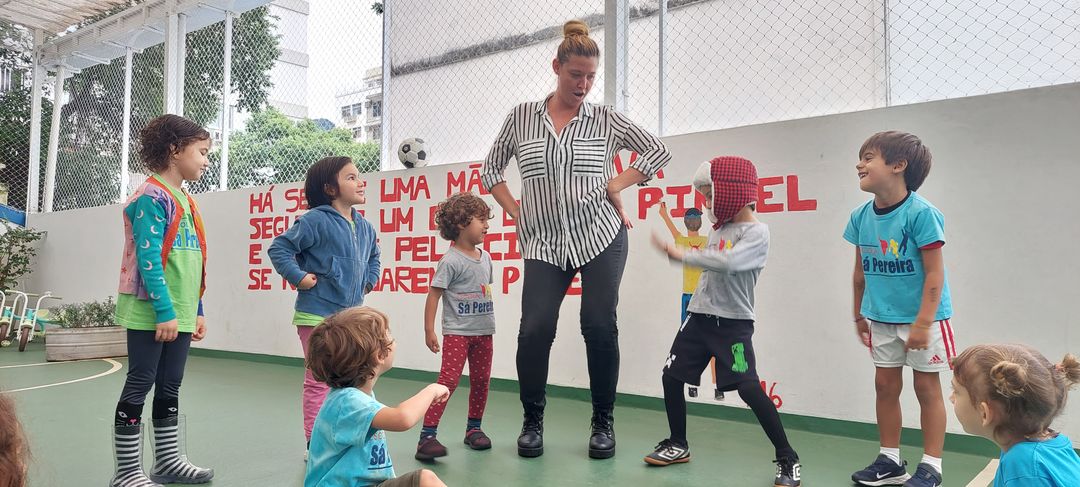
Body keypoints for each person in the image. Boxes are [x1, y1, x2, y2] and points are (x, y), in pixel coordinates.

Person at [481, 19, 671, 460]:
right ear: (557, 67)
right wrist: (515, 210)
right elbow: (491, 170)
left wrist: (615, 184)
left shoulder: (604, 118)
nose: (583, 85)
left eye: (590, 76)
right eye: (575, 75)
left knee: (598, 324)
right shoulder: (521, 117)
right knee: (535, 329)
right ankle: (532, 421)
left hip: (600, 234)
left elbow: (657, 150)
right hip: (544, 242)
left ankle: (603, 422)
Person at [645, 156, 801, 486]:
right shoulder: (720, 230)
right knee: (671, 376)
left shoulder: (758, 232)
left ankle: (788, 457)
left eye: (710, 195)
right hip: (698, 319)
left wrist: (682, 254)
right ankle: (678, 443)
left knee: (748, 387)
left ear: (731, 191)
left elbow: (729, 262)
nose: (706, 203)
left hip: (733, 327)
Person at [845, 131, 954, 487]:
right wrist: (858, 314)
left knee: (926, 388)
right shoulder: (860, 216)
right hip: (881, 317)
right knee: (885, 386)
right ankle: (890, 460)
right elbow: (860, 272)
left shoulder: (922, 214)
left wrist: (923, 322)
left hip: (925, 319)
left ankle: (932, 466)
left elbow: (935, 273)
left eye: (868, 157)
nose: (859, 164)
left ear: (898, 165)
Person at [110, 114, 213, 486]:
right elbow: (149, 258)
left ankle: (168, 462)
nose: (206, 161)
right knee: (141, 381)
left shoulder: (185, 199)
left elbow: (193, 260)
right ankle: (126, 473)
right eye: (202, 152)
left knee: (171, 384)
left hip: (179, 312)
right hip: (151, 310)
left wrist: (196, 310)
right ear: (175, 150)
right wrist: (164, 311)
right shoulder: (151, 197)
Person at [268, 156, 382, 457]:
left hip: (351, 317)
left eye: (359, 176)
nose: (360, 182)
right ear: (330, 189)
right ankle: (315, 442)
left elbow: (374, 257)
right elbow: (279, 248)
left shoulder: (365, 227)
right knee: (319, 380)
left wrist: (369, 281)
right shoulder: (314, 220)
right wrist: (299, 277)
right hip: (315, 314)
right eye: (351, 177)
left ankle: (350, 435)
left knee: (356, 377)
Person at [304, 307, 448, 487]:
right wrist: (431, 390)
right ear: (380, 354)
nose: (394, 340)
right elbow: (402, 418)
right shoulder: (347, 402)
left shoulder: (355, 396)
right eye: (389, 336)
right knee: (425, 480)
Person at [415, 192, 496, 460]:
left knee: (481, 381)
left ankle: (474, 429)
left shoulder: (485, 258)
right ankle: (427, 436)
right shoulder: (450, 261)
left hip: (484, 333)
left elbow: (483, 289)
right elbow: (434, 295)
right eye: (481, 220)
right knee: (448, 381)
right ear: (462, 223)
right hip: (457, 334)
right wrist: (429, 330)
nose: (486, 225)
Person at [950, 344, 1080, 486]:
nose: (951, 398)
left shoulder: (1025, 466)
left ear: (984, 413)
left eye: (956, 391)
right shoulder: (1053, 445)